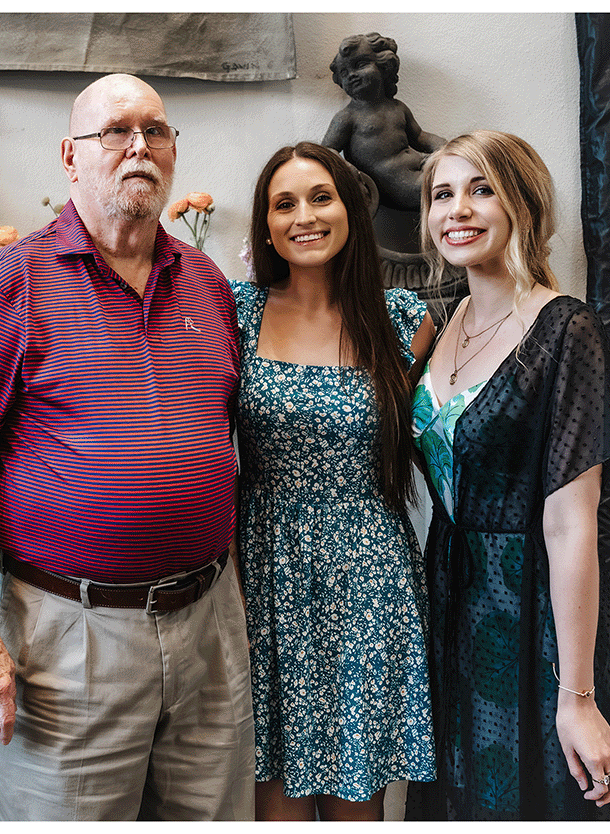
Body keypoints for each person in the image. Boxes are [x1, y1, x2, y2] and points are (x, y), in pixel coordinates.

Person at [0, 73, 253, 821]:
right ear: (71, 156)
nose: (140, 146)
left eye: (157, 130)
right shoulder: (10, 283)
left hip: (209, 627)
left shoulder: (206, 284)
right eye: (117, 131)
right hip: (67, 641)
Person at [408, 130, 610, 819]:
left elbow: (572, 526)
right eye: (442, 194)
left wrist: (579, 697)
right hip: (450, 600)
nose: (459, 210)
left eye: (481, 190)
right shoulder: (442, 324)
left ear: (521, 203)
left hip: (535, 609)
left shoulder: (565, 328)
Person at [235, 142, 436, 821]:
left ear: (351, 209)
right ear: (265, 227)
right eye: (284, 203)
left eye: (321, 197)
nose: (305, 216)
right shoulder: (239, 313)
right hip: (265, 572)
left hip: (369, 578)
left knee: (358, 805)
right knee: (277, 802)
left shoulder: (407, 319)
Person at [321, 33, 445, 212]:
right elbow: (326, 152)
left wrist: (445, 147)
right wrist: (348, 170)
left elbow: (419, 136)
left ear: (384, 66)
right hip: (398, 186)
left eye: (360, 65)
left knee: (467, 169)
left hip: (423, 167)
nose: (352, 75)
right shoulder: (347, 117)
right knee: (457, 182)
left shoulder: (398, 108)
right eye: (344, 73)